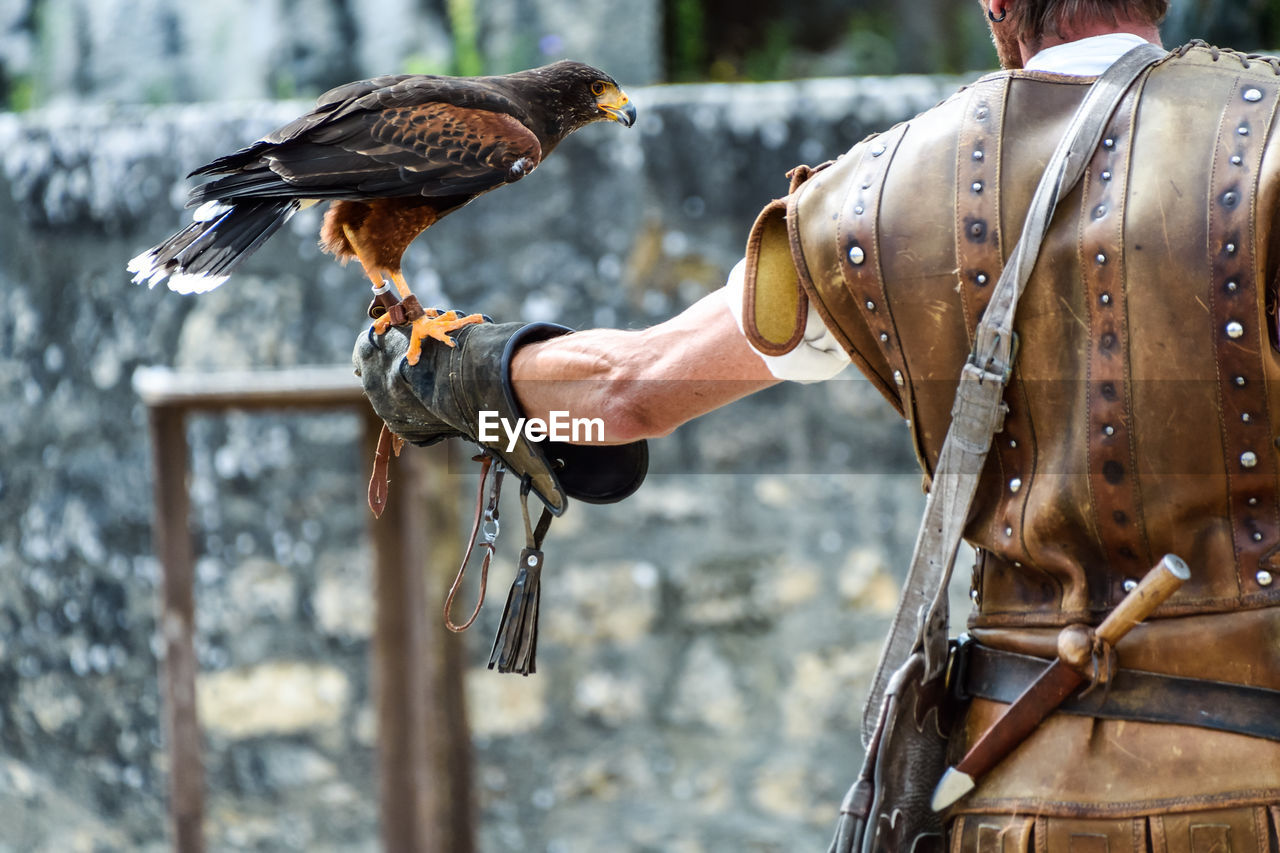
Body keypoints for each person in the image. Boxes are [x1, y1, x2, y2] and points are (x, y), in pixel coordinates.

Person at [354, 1, 1280, 849]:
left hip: (1014, 797)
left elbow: (627, 391)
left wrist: (461, 374)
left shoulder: (879, 193)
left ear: (998, 6)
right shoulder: (1267, 132)